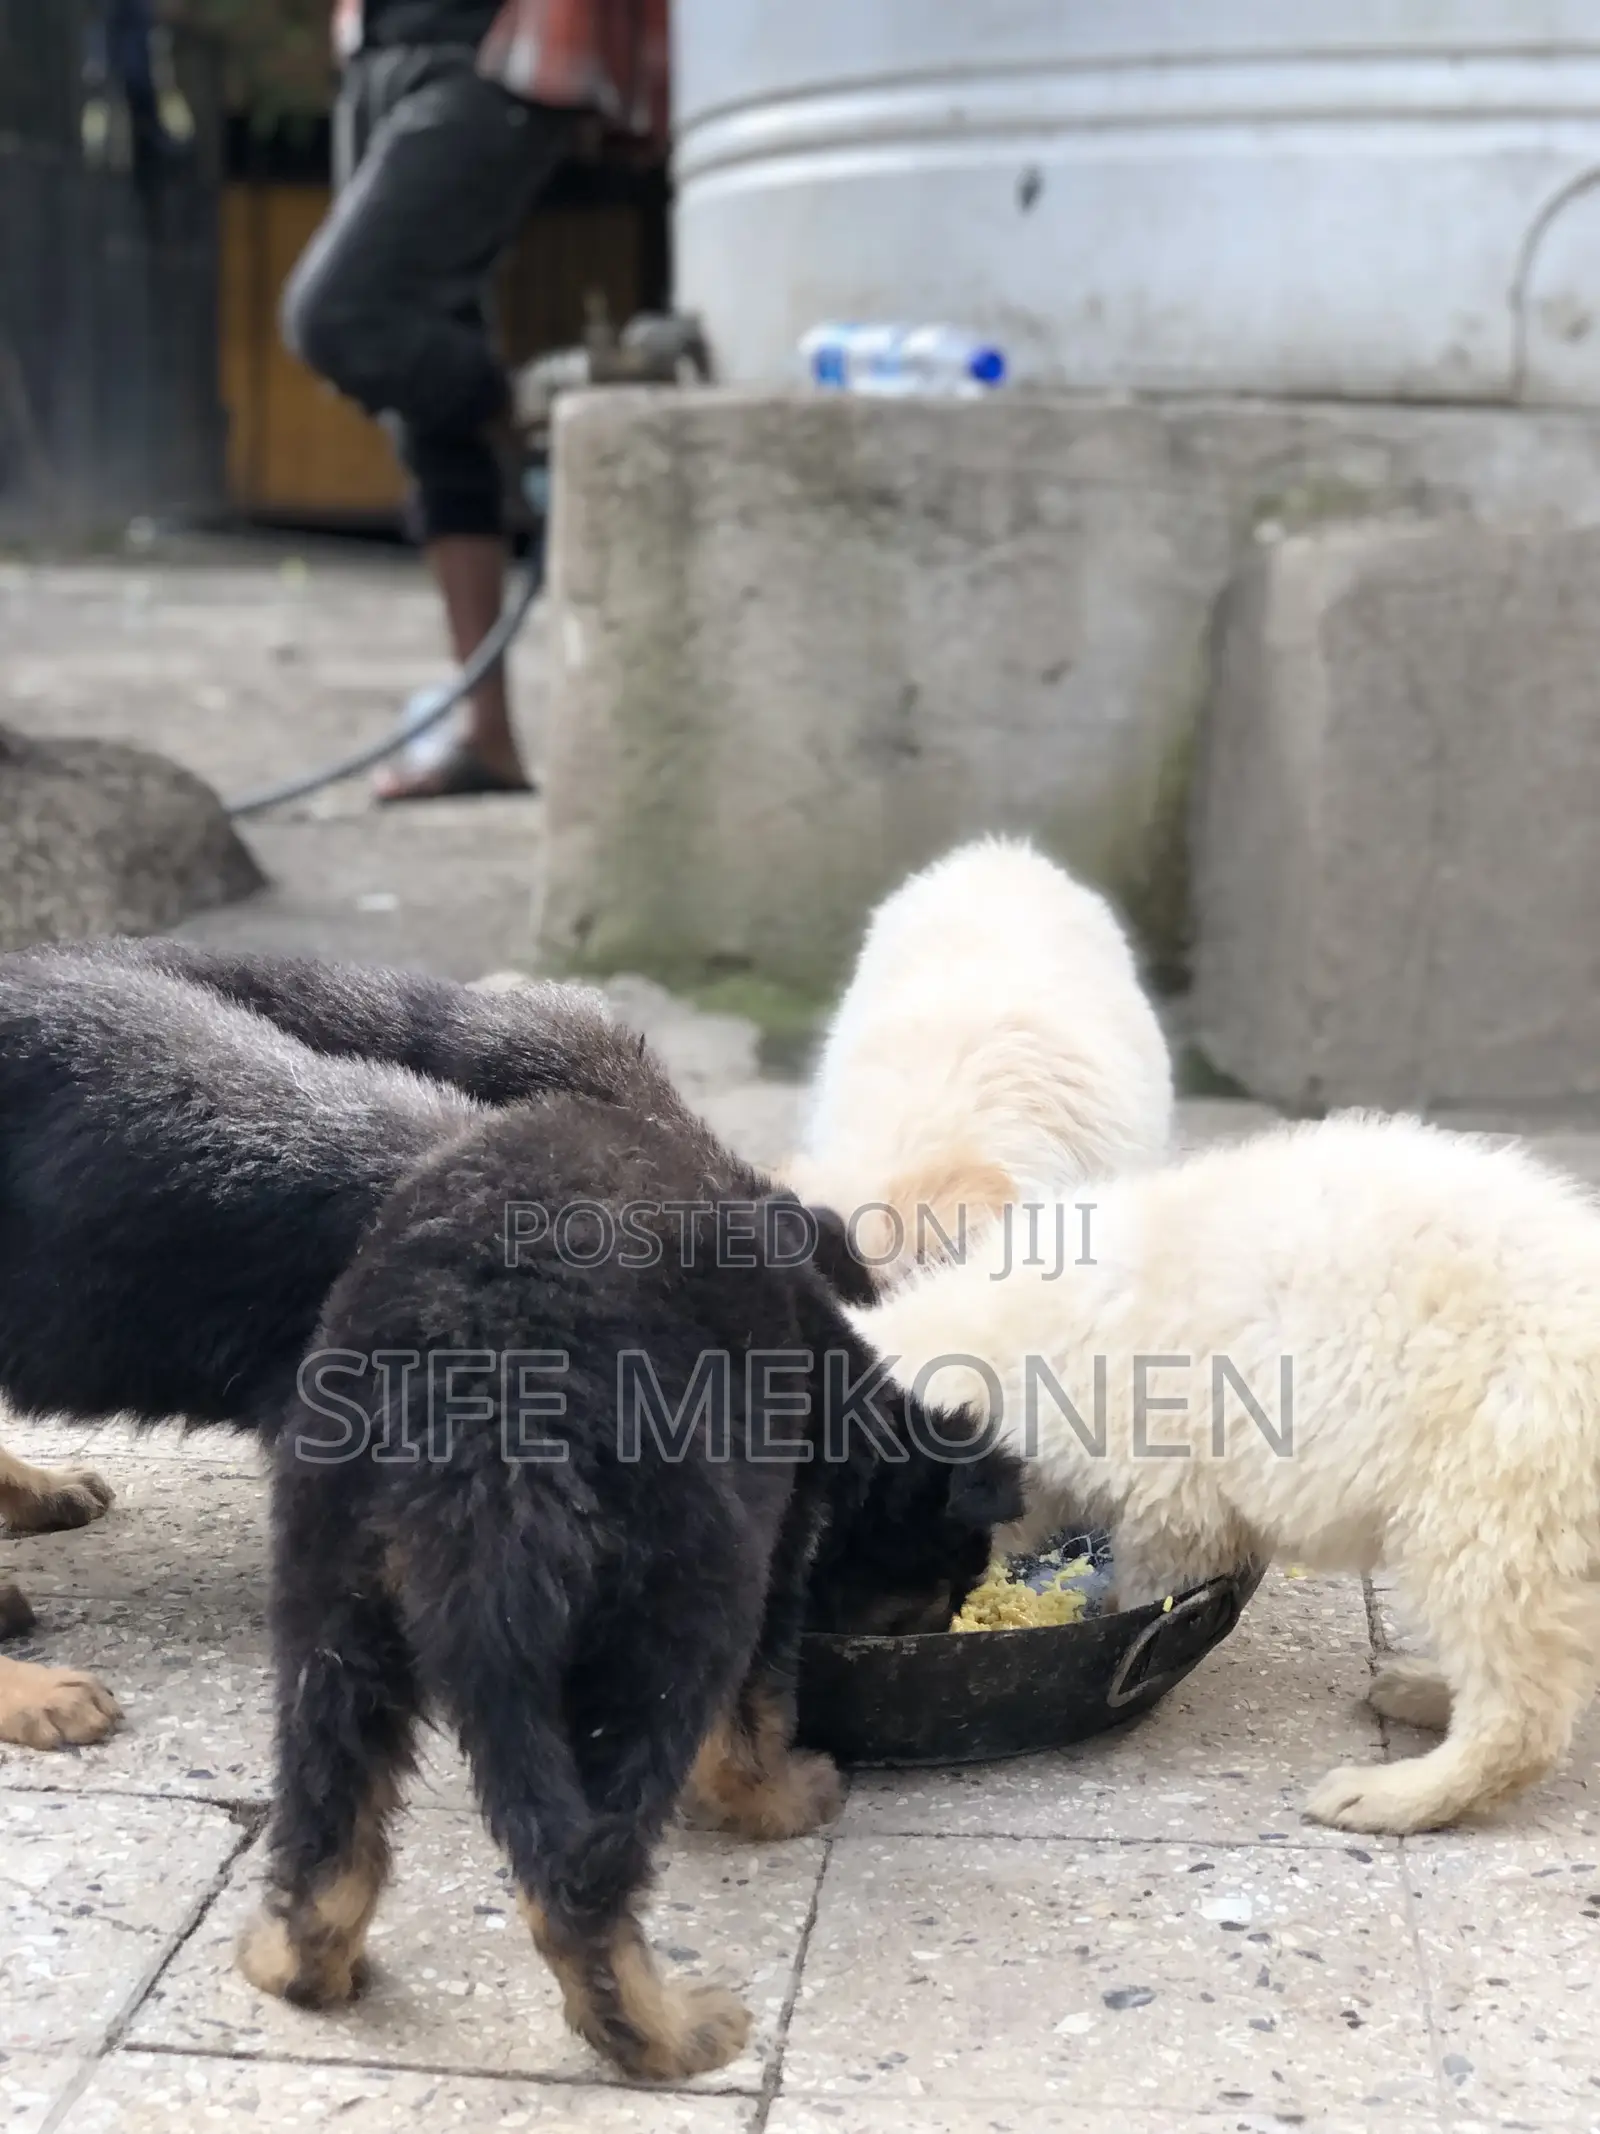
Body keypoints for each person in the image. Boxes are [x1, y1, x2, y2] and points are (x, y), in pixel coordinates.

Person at [284, 0, 668, 800]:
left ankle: (538, 405)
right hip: (379, 52)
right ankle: (487, 736)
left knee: (346, 317)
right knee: (427, 410)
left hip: (496, 54)